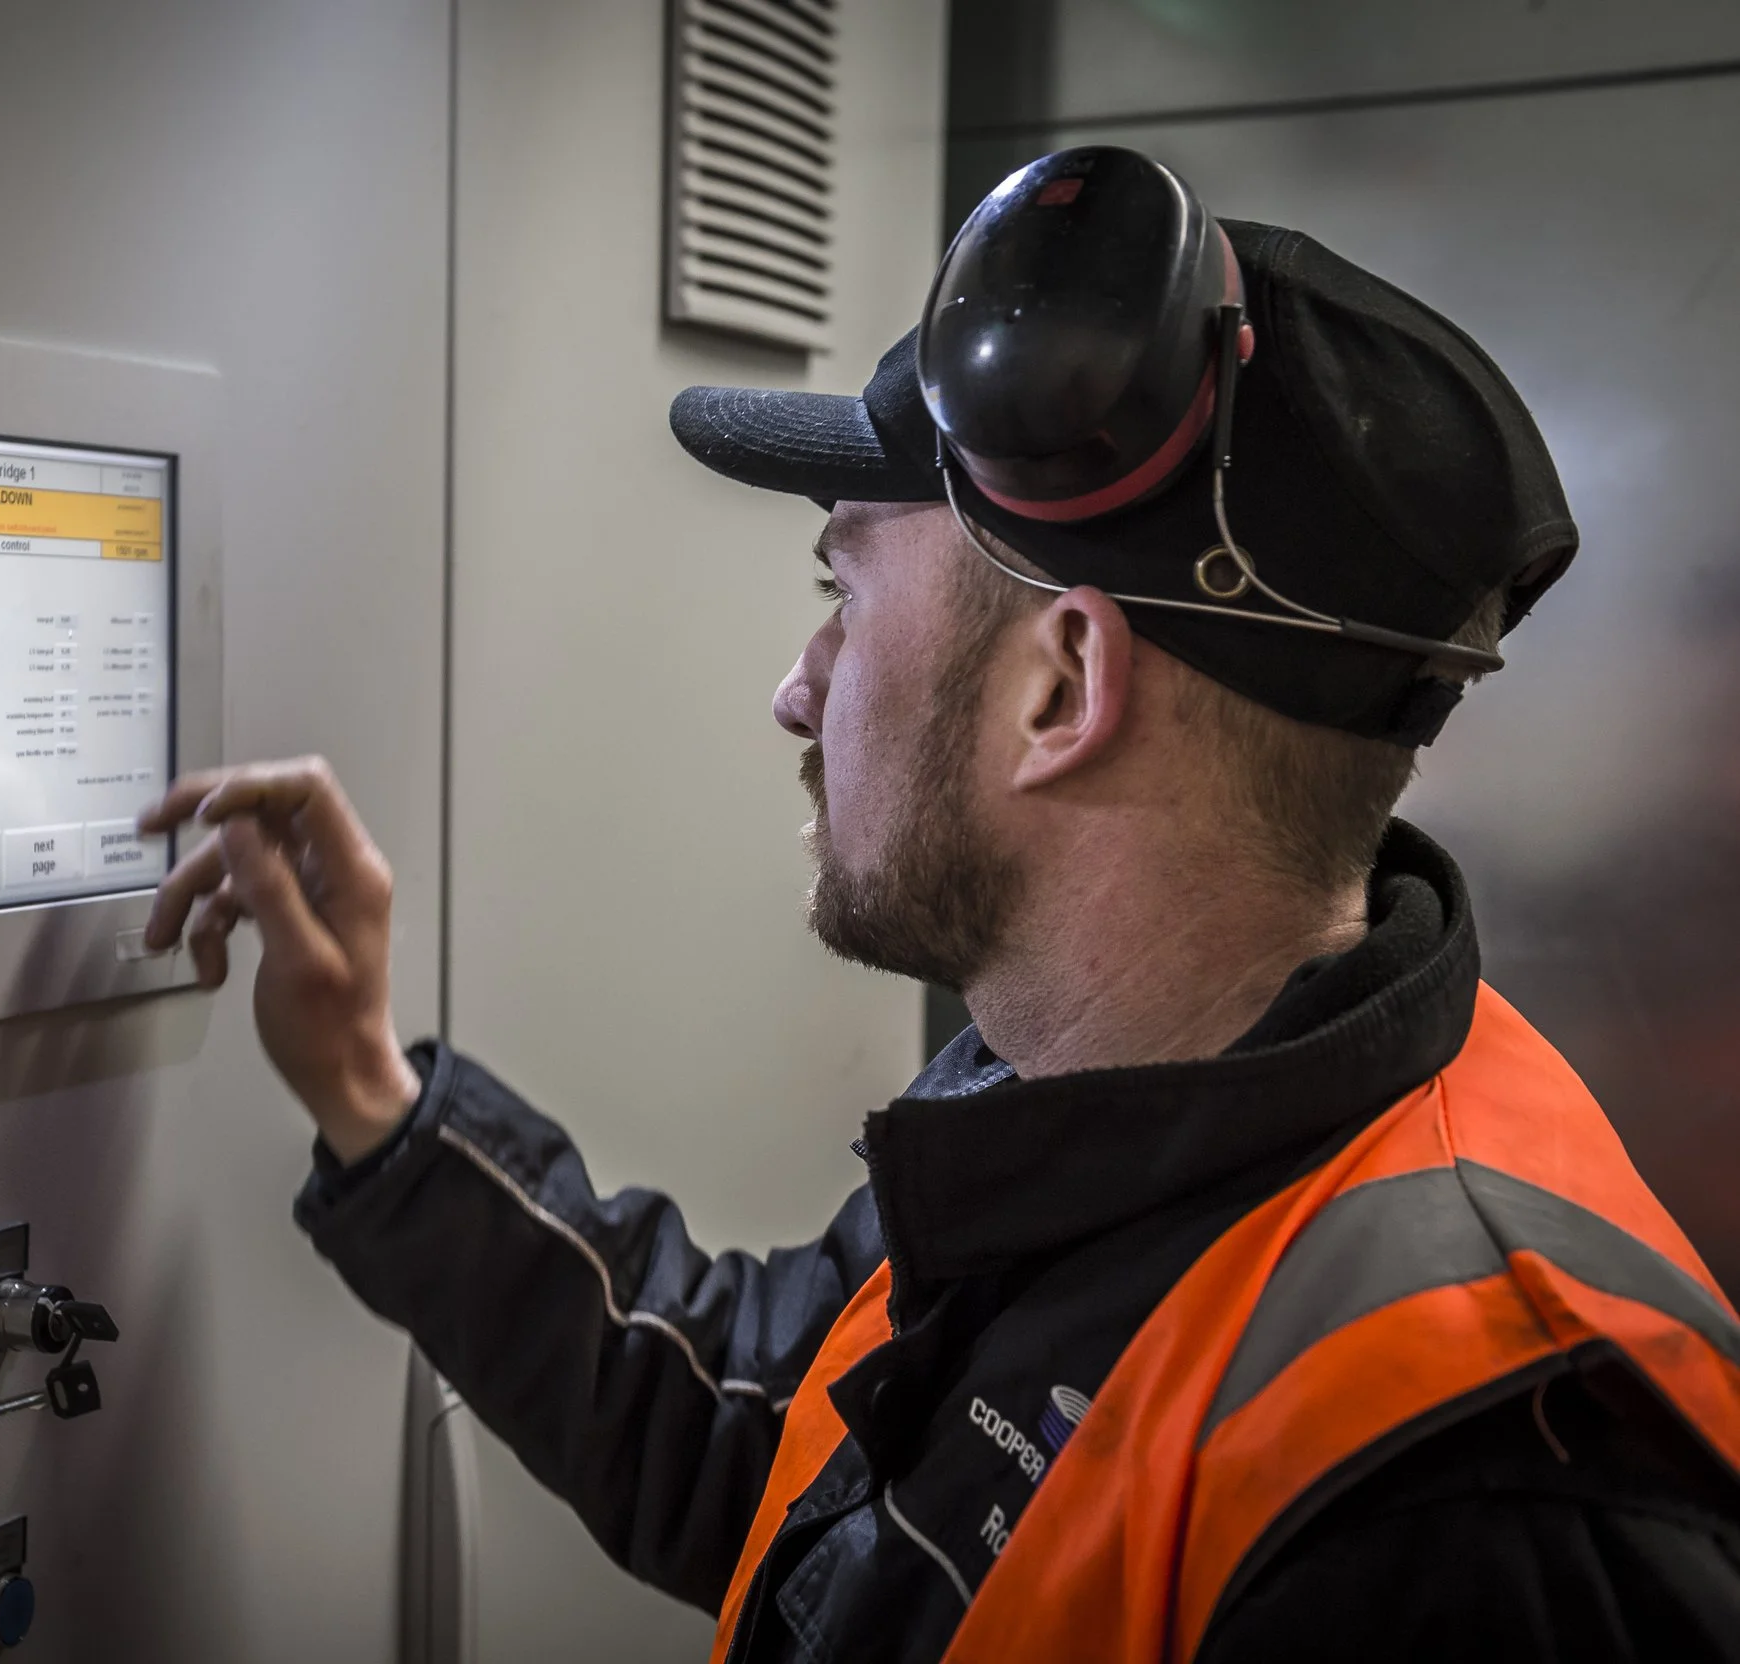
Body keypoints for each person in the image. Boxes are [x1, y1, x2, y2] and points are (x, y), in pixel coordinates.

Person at [139, 149, 1740, 1661]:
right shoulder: (1090, 1091)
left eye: (844, 590)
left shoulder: (1480, 1485)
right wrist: (372, 1091)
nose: (796, 687)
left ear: (1060, 688)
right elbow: (775, 1451)